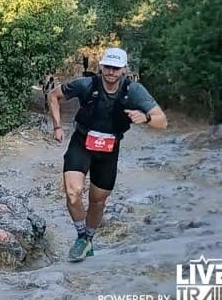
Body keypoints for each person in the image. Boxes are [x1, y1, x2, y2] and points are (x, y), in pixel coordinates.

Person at [47, 47, 167, 262]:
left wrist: (146, 118)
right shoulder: (86, 84)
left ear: (123, 70)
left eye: (116, 68)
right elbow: (53, 95)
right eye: (108, 67)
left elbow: (162, 121)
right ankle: (82, 238)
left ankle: (88, 239)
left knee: (97, 201)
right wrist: (57, 127)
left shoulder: (134, 91)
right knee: (73, 193)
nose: (111, 72)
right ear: (101, 66)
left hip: (109, 148)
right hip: (82, 141)